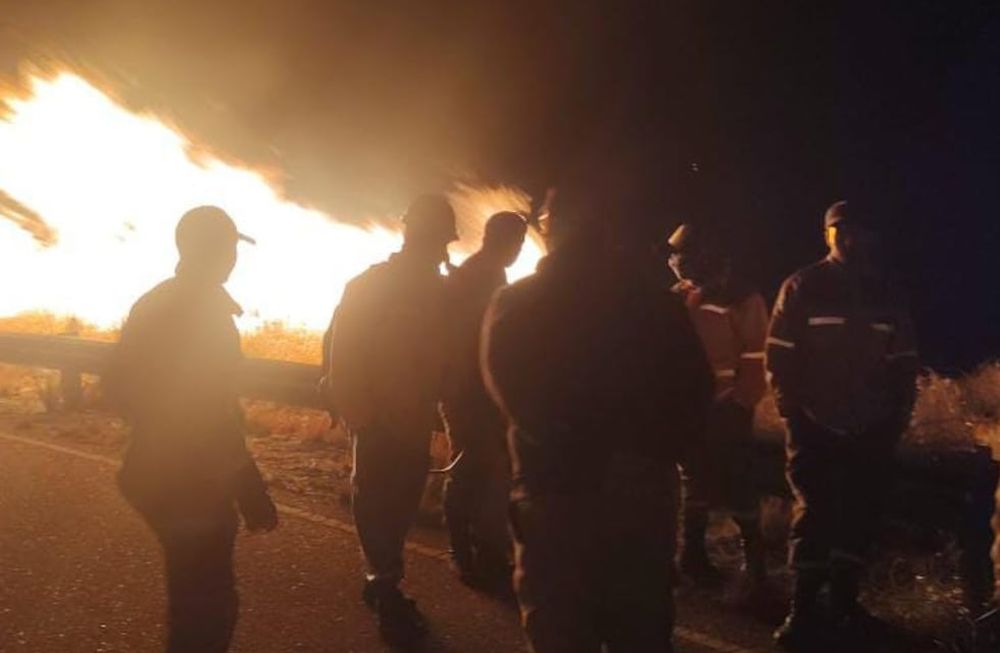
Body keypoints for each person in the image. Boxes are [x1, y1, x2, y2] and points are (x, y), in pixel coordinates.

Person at [481, 185, 714, 653]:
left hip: (555, 497)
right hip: (640, 499)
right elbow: (696, 393)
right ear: (609, 231)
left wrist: (574, 451)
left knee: (561, 631)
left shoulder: (519, 303)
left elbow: (515, 396)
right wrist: (644, 457)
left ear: (551, 230)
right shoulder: (656, 306)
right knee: (640, 630)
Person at [104, 206, 279, 653]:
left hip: (150, 469)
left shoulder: (154, 301)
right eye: (229, 248)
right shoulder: (205, 316)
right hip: (189, 480)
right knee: (207, 604)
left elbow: (117, 386)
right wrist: (250, 490)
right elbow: (210, 416)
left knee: (193, 595)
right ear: (215, 251)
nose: (234, 258)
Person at [767, 201, 919, 650]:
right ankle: (804, 611)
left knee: (858, 515)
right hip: (813, 427)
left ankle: (845, 608)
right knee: (813, 514)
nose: (855, 239)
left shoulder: (886, 293)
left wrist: (894, 420)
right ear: (829, 235)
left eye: (861, 232)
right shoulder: (803, 286)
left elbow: (904, 363)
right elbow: (779, 355)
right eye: (844, 231)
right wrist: (793, 412)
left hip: (871, 429)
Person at [322, 193, 456, 646]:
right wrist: (363, 417)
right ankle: (384, 583)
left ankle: (383, 575)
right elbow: (344, 355)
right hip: (380, 423)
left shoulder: (438, 292)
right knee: (377, 503)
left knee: (397, 507)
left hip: (413, 420)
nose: (443, 253)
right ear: (422, 238)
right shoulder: (372, 285)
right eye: (439, 241)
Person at [666, 223, 770, 590]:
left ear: (701, 254)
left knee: (739, 481)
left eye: (678, 253)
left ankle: (755, 565)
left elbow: (757, 358)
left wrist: (740, 404)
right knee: (694, 483)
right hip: (689, 410)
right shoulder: (679, 295)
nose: (672, 260)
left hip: (726, 409)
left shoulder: (742, 297)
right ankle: (692, 555)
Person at [441, 211, 527, 591]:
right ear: (500, 240)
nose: (518, 250)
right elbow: (463, 344)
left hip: (480, 393)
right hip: (467, 394)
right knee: (472, 471)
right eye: (516, 242)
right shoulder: (477, 277)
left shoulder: (486, 274)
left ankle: (479, 551)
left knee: (481, 472)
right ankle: (466, 553)